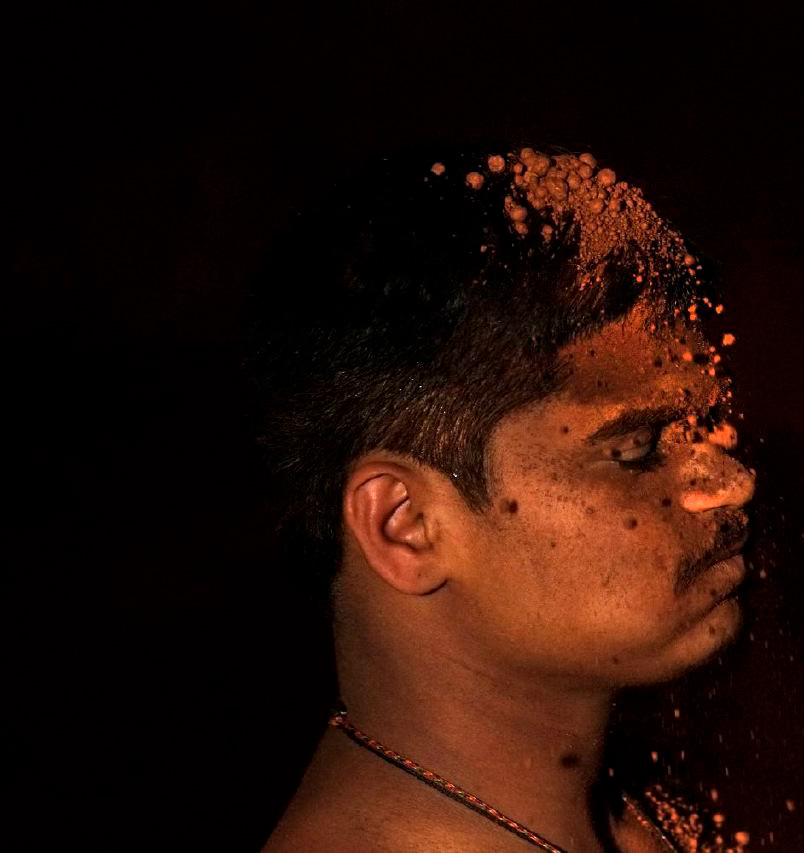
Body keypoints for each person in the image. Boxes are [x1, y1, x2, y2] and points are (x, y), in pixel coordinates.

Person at [246, 145, 756, 852]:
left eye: (704, 424)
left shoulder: (637, 815)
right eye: (635, 450)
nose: (728, 481)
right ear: (406, 525)